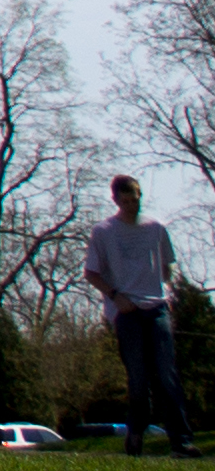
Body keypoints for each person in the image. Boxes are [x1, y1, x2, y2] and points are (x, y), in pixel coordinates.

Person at [84, 172, 195, 455]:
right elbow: (92, 273)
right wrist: (116, 297)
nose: (133, 205)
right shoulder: (104, 231)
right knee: (138, 378)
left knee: (167, 376)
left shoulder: (155, 227)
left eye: (136, 199)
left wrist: (159, 290)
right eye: (126, 201)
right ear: (116, 200)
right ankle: (135, 436)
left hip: (156, 308)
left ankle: (181, 441)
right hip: (127, 311)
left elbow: (167, 268)